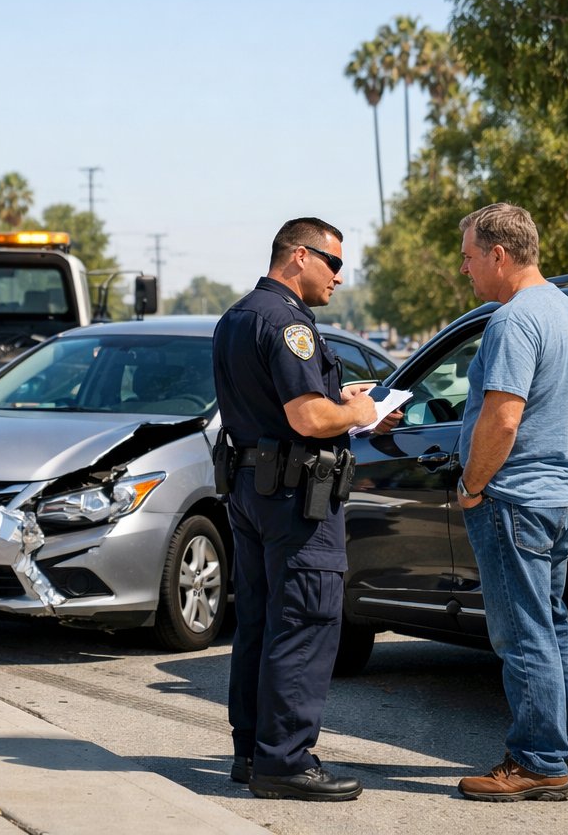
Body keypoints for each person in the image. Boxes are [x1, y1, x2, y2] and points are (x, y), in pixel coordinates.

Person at [212, 217, 399, 803]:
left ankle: (253, 752)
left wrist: (341, 401)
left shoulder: (237, 317)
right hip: (296, 501)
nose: (340, 278)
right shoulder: (289, 323)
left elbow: (285, 404)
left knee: (262, 625)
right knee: (305, 623)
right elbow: (307, 419)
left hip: (252, 491)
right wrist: (360, 414)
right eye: (334, 263)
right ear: (298, 256)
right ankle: (286, 762)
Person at [454, 203, 568, 802]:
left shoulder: (513, 322)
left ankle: (538, 763)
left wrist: (472, 485)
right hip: (563, 496)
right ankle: (566, 749)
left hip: (516, 498)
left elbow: (504, 418)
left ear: (499, 255)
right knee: (554, 627)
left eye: (468, 256)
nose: (465, 269)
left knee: (522, 635)